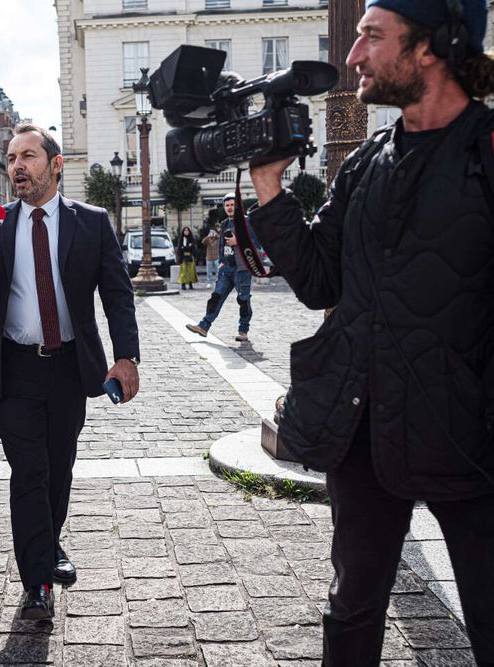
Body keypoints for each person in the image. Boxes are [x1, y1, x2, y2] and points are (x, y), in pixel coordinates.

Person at [248, 0, 494, 663]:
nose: (354, 57)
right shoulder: (367, 162)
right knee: (351, 610)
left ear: (430, 49)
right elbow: (319, 280)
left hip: (470, 444)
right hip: (365, 432)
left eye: (371, 38)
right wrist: (271, 190)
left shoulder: (488, 151)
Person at [0, 124, 140, 620]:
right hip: (14, 369)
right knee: (30, 473)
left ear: (55, 165)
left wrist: (126, 357)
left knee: (58, 470)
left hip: (69, 369)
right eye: (12, 157)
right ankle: (36, 582)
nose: (17, 166)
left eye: (28, 156)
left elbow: (117, 295)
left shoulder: (92, 222)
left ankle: (49, 544)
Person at [185, 192, 252, 342]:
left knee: (243, 300)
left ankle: (243, 331)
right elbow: (221, 244)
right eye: (227, 205)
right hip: (226, 268)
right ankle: (204, 326)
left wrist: (238, 241)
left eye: (232, 205)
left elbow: (255, 242)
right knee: (216, 297)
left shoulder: (247, 222)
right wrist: (221, 262)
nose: (229, 208)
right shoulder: (224, 223)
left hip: (242, 269)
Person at [176, 226, 197, 290]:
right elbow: (180, 248)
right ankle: (183, 284)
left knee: (191, 271)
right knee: (183, 271)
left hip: (190, 257)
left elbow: (193, 248)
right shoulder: (181, 239)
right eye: (185, 230)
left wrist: (185, 248)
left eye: (187, 230)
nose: (186, 232)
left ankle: (190, 284)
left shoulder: (191, 239)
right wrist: (186, 248)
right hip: (183, 257)